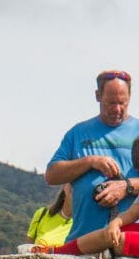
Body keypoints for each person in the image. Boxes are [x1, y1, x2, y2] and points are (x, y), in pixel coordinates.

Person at [45, 70, 139, 242]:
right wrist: (90, 161)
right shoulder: (77, 133)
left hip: (128, 244)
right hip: (82, 243)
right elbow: (52, 175)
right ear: (97, 96)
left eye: (122, 103)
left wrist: (127, 187)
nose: (117, 109)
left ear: (130, 97)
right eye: (111, 103)